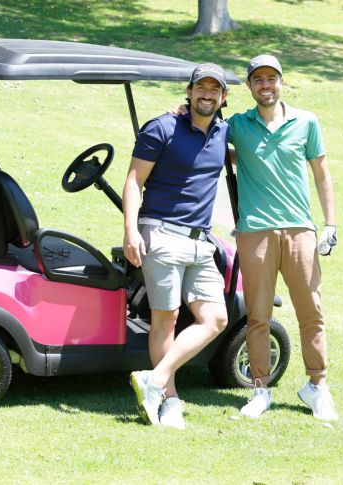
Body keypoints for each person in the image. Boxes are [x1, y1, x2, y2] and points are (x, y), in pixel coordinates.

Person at [229, 54, 339, 421]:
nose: (265, 85)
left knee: (311, 310)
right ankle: (260, 389)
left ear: (281, 82)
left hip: (299, 229)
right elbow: (205, 135)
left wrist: (330, 225)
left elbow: (322, 174)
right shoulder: (238, 125)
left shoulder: (306, 122)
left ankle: (317, 387)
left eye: (271, 79)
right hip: (255, 232)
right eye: (258, 79)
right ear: (249, 86)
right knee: (257, 315)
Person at [123, 63, 230, 429]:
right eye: (201, 87)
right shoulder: (163, 127)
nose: (207, 94)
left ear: (224, 97)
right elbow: (135, 181)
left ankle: (154, 379)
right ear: (188, 91)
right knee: (165, 321)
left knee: (216, 318)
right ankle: (169, 400)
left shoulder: (224, 132)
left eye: (214, 90)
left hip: (201, 242)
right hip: (162, 235)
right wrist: (130, 231)